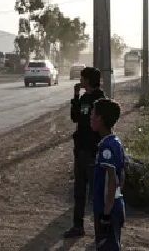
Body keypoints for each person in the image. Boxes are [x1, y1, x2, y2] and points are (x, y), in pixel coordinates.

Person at [64, 67, 106, 238]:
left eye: (82, 78)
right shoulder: (84, 98)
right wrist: (75, 96)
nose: (80, 81)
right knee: (79, 192)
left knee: (96, 193)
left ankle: (101, 230)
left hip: (92, 151)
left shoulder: (100, 100)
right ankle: (78, 226)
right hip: (81, 149)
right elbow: (75, 117)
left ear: (88, 80)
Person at [90, 98, 126, 251]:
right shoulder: (115, 141)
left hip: (107, 208)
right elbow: (121, 175)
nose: (91, 118)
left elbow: (112, 180)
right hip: (115, 204)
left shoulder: (106, 147)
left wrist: (106, 214)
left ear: (100, 119)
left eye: (93, 114)